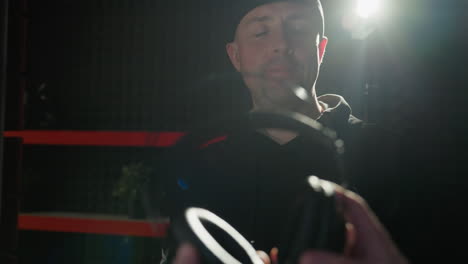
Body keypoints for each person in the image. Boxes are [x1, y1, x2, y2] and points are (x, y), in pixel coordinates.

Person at [156, 0, 407, 262]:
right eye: (261, 33)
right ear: (235, 55)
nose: (282, 44)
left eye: (298, 29)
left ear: (320, 50)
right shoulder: (204, 167)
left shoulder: (385, 152)